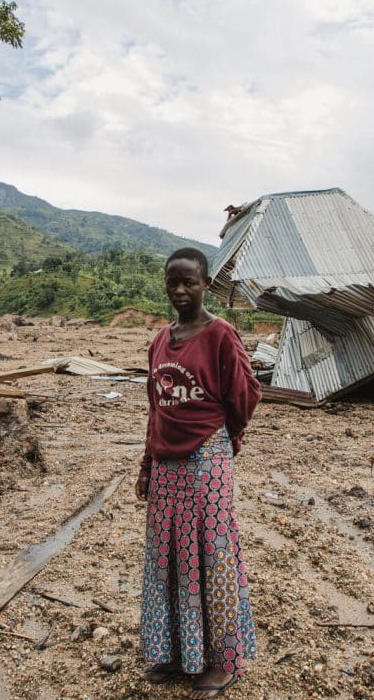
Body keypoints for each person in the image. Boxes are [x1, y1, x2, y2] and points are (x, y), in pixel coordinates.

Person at [136, 247, 261, 699]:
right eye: (173, 281)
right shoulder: (160, 340)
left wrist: (228, 440)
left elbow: (244, 396)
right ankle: (174, 651)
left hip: (206, 460)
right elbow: (155, 408)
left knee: (210, 554)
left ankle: (222, 661)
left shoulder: (220, 335)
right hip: (166, 465)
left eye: (189, 281)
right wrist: (147, 464)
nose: (181, 290)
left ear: (206, 283)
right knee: (168, 555)